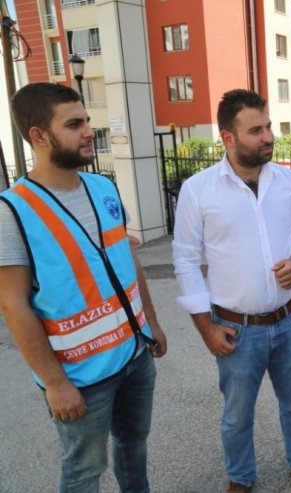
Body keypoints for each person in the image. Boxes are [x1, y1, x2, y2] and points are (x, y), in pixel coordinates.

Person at [0, 82, 167, 492]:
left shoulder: (104, 188)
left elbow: (126, 261)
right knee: (83, 471)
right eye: (74, 124)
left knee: (133, 446)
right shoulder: (12, 211)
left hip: (133, 353)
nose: (89, 130)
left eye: (87, 120)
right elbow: (13, 305)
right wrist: (55, 383)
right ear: (39, 136)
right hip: (80, 375)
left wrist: (153, 326)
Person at [172, 89, 291, 493]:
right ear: (228, 137)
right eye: (256, 130)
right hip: (235, 327)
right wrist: (205, 326)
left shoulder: (286, 179)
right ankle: (240, 478)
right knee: (237, 413)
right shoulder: (199, 190)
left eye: (269, 126)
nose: (268, 137)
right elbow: (186, 260)